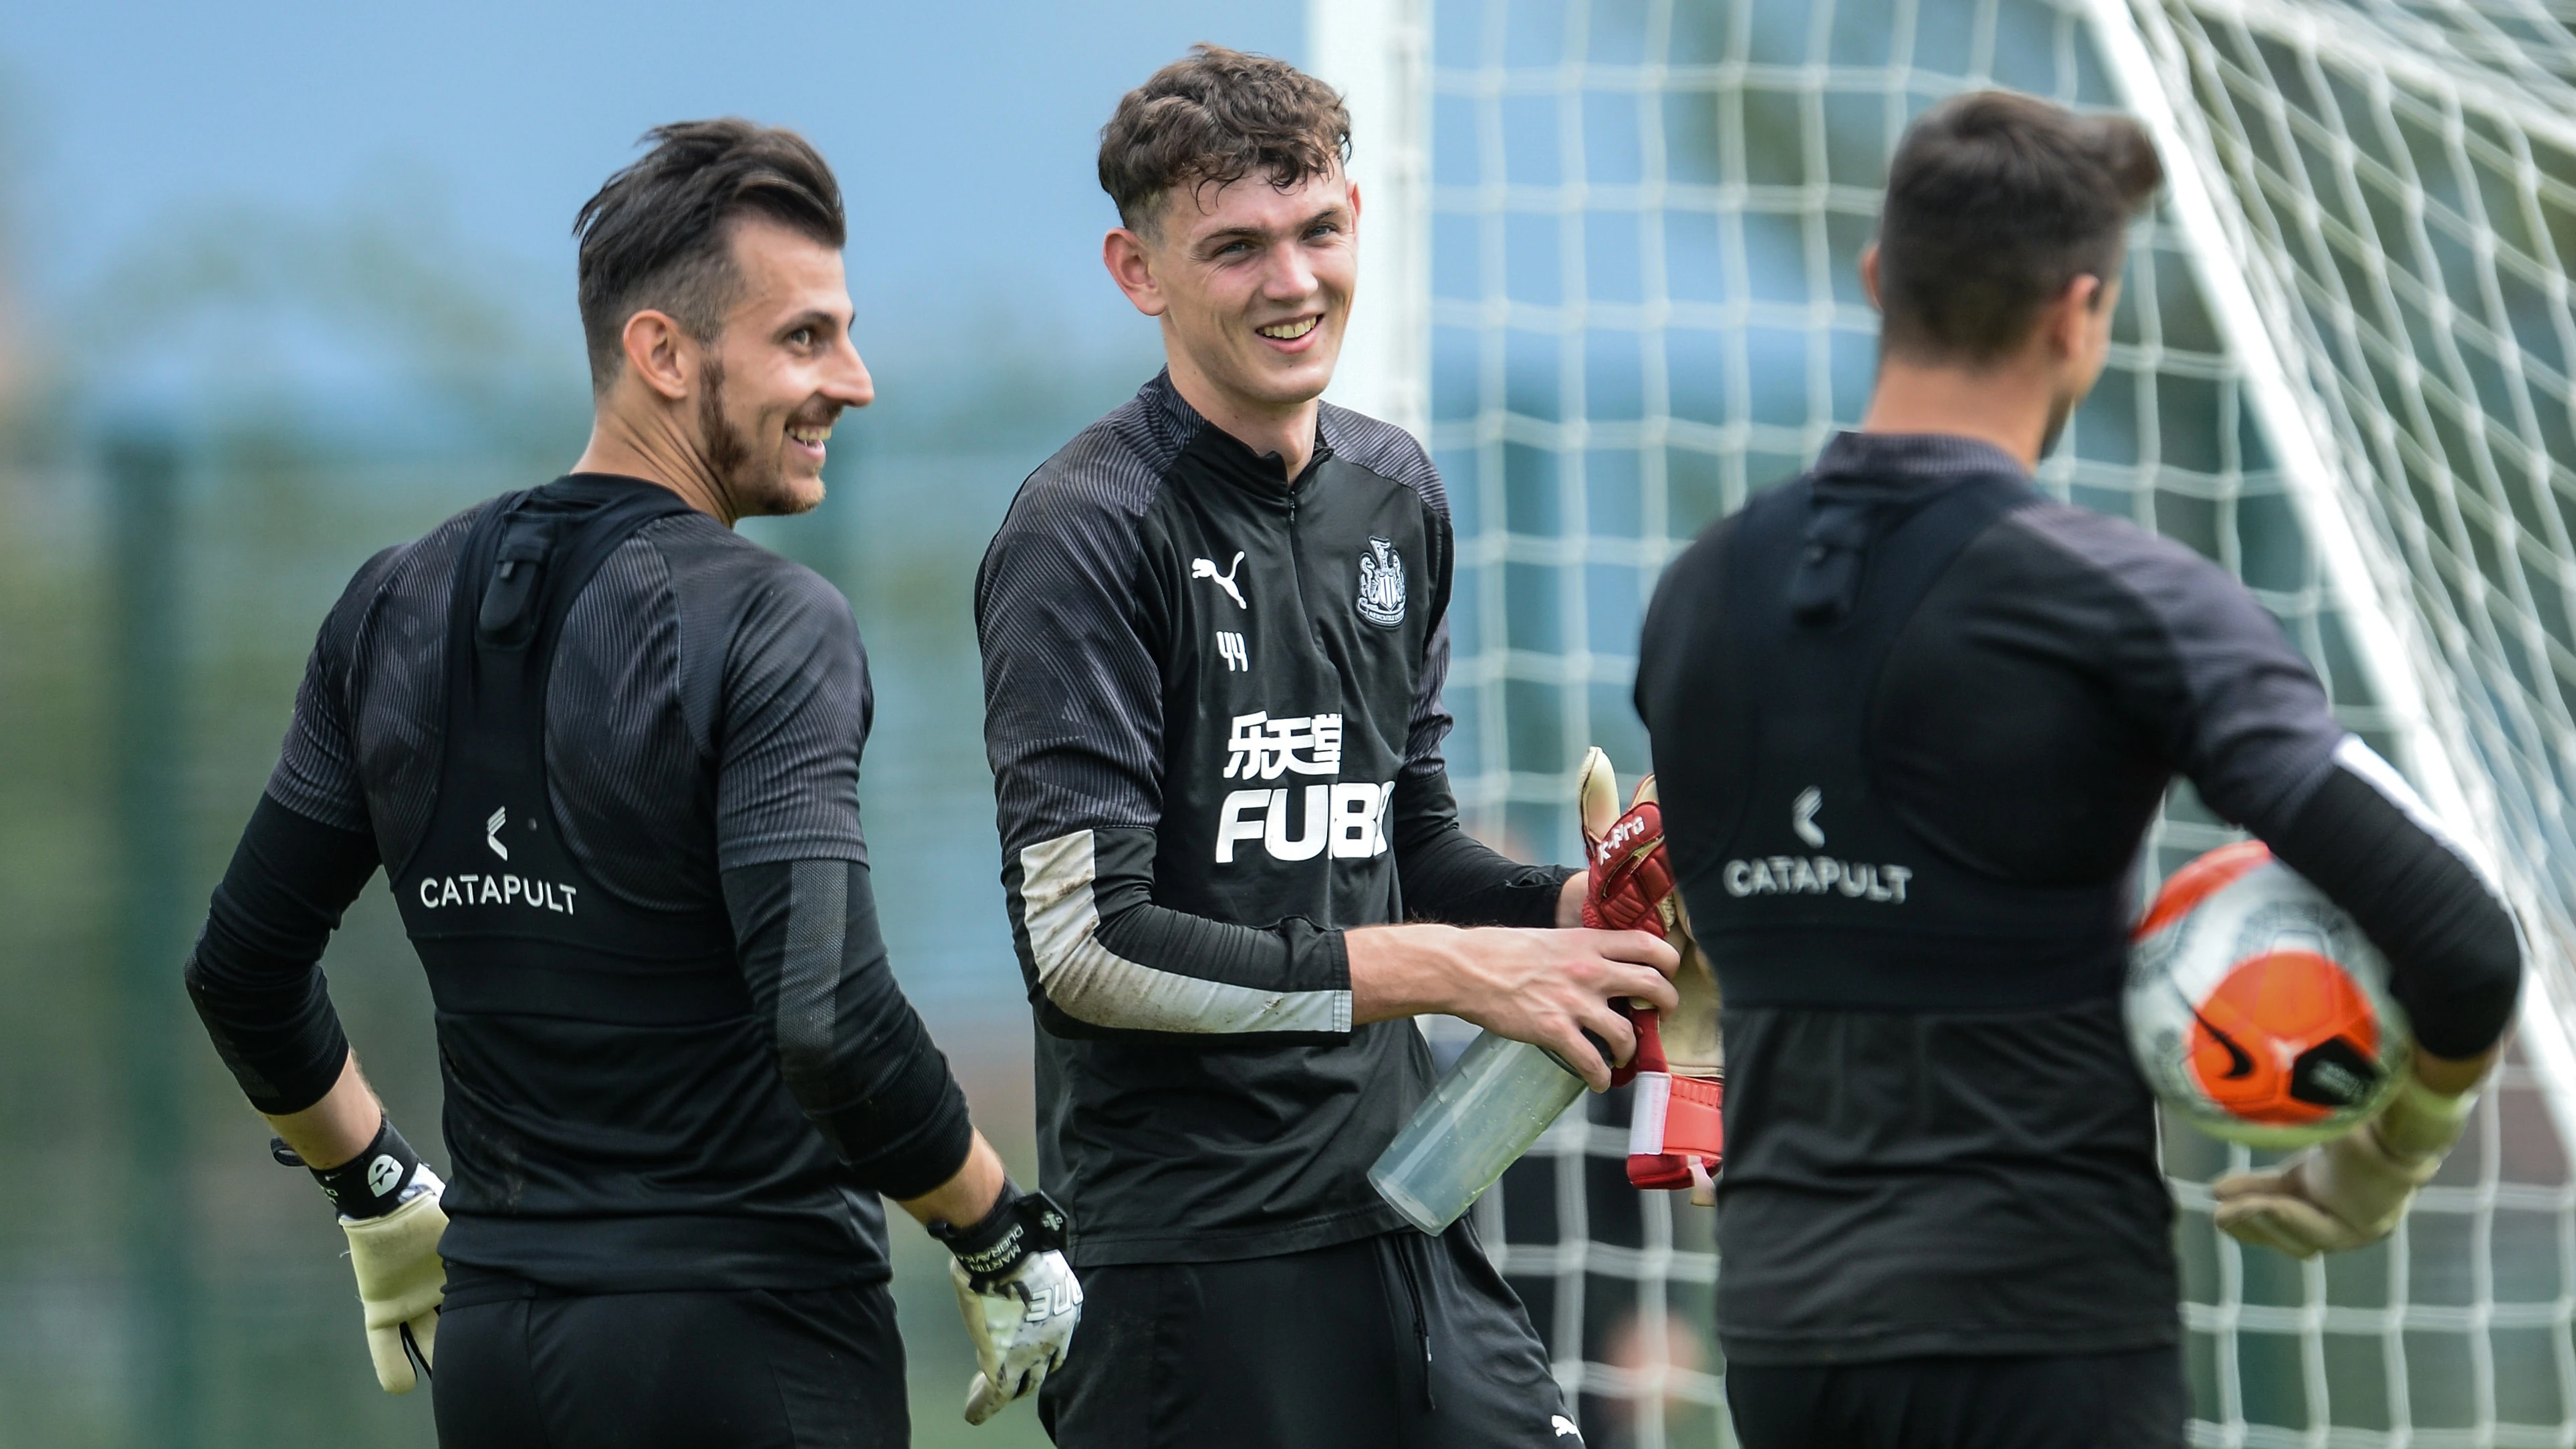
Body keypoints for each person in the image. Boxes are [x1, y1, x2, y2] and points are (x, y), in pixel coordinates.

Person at [1627, 91, 2526, 1448]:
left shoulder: (1697, 596)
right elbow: (2461, 938)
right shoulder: (2126, 601)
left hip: (1788, 1339)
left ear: (1882, 284)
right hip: (2039, 1334)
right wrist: (2384, 1157)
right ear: (2080, 313)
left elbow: (1712, 964)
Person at [182, 119, 1079, 1448]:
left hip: (499, 1358)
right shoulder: (773, 623)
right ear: (661, 352)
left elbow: (243, 969)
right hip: (747, 1350)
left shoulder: (392, 602)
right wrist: (998, 1228)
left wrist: (378, 1191)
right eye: (806, 338)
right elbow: (828, 1017)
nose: (858, 380)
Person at [973, 45, 1679, 1449]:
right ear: (1139, 269)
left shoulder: (1397, 494)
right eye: (1235, 248)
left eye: (1319, 232)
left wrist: (1566, 910)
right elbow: (1084, 948)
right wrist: (1451, 970)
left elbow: (1400, 840)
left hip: (1411, 1216)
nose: (1293, 283)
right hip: (1195, 1272)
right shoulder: (1084, 531)